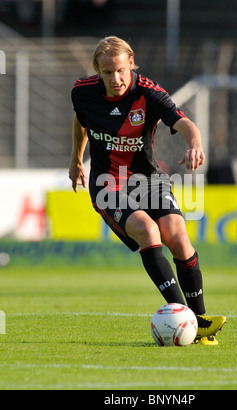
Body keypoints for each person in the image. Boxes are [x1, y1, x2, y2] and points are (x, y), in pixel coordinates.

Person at [69, 36, 226, 345]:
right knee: (146, 230)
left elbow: (185, 123)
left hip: (149, 180)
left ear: (131, 64)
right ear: (97, 71)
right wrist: (76, 159)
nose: (115, 79)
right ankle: (189, 320)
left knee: (178, 236)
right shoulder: (82, 92)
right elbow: (81, 120)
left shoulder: (150, 94)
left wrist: (194, 144)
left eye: (120, 71)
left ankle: (200, 323)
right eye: (107, 73)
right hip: (107, 183)